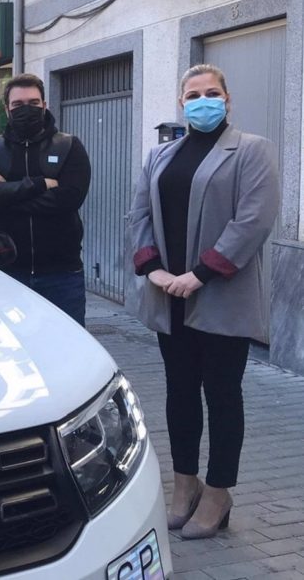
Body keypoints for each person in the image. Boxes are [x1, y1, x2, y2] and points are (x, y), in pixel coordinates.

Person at [128, 64, 279, 539]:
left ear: (228, 100)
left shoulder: (252, 150)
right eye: (193, 94)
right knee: (179, 393)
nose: (203, 101)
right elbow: (139, 214)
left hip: (220, 297)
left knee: (222, 395)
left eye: (212, 93)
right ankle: (184, 484)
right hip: (168, 295)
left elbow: (253, 220)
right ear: (181, 102)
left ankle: (218, 492)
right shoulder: (161, 154)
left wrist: (198, 275)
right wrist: (154, 270)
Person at [0, 73, 91, 326]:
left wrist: (4, 193)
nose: (27, 109)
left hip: (61, 274)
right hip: (4, 272)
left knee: (66, 349)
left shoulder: (69, 146)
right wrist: (40, 184)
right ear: (7, 109)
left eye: (34, 103)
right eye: (18, 104)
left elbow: (69, 199)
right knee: (7, 349)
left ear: (45, 105)